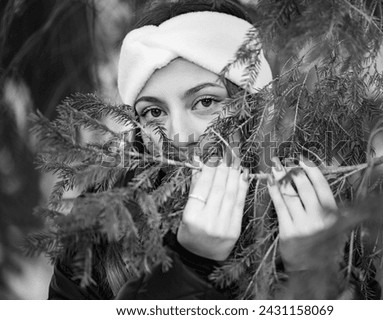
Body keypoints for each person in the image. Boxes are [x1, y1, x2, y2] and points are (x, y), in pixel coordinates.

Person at [48, 0, 362, 300]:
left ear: (256, 108)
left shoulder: (318, 204)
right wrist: (190, 266)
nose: (178, 136)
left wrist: (311, 276)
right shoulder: (98, 230)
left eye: (206, 102)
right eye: (154, 112)